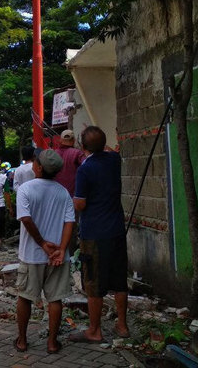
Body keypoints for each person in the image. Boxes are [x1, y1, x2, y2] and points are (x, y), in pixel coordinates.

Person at [70, 126, 129, 343]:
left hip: (94, 234)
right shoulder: (115, 161)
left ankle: (94, 330)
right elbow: (113, 150)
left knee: (94, 283)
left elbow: (81, 203)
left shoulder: (85, 170)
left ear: (82, 146)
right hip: (116, 231)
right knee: (120, 280)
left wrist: (72, 202)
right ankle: (122, 326)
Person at [14, 149, 75, 354]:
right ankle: (51, 343)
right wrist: (61, 250)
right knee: (55, 299)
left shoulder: (26, 189)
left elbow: (26, 219)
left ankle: (22, 340)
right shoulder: (63, 191)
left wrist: (41, 243)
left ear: (38, 167)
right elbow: (69, 223)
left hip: (32, 255)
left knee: (24, 297)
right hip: (57, 257)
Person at [54, 129, 86, 196]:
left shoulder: (53, 153)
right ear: (73, 140)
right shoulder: (77, 153)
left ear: (61, 140)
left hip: (56, 194)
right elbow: (86, 167)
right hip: (73, 194)